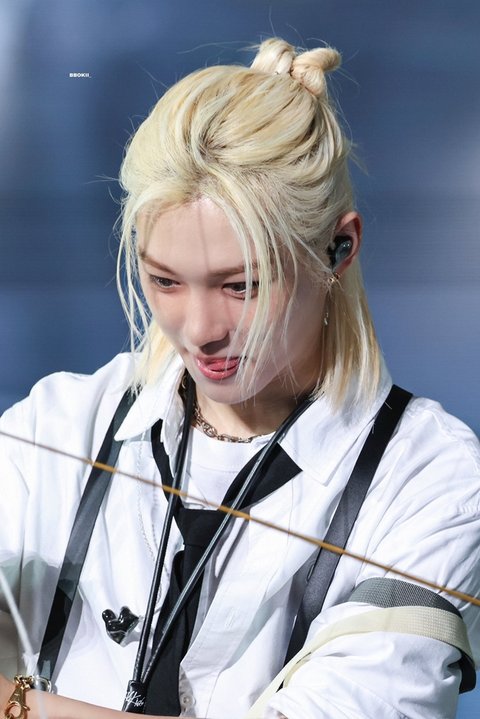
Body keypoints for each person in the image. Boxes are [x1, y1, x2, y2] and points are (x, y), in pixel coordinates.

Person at [1, 37, 479, 719]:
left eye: (242, 285)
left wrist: (18, 705)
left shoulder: (433, 480)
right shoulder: (55, 426)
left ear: (339, 249)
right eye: (165, 280)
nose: (200, 329)